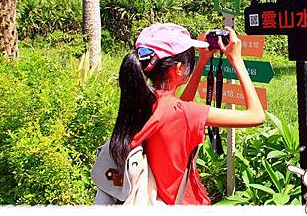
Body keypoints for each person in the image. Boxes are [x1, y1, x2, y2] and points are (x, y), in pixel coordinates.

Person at [108, 23, 266, 205]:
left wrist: (201, 63)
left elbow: (180, 107)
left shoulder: (144, 101)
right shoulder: (181, 112)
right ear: (179, 69)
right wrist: (236, 59)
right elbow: (256, 116)